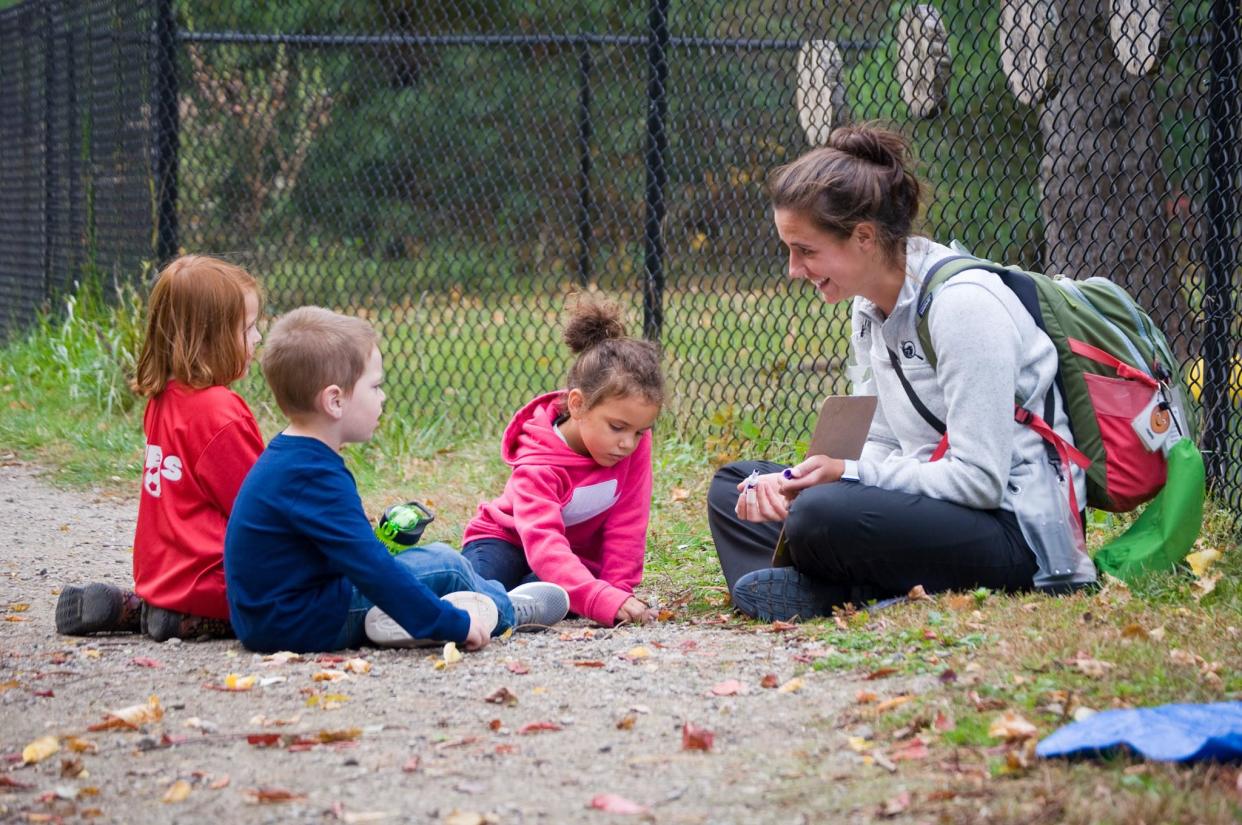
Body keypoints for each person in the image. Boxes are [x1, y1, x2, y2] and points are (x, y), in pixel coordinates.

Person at [708, 124, 1095, 622]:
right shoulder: (869, 307)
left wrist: (844, 476)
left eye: (805, 250)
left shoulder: (964, 307)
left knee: (818, 516)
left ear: (864, 236)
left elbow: (980, 481)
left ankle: (831, 590)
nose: (793, 269)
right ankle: (817, 585)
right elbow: (885, 441)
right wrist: (799, 480)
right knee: (735, 487)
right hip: (930, 508)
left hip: (1018, 534)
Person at [223, 306, 569, 653]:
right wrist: (453, 625)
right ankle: (505, 609)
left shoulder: (289, 458)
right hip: (303, 621)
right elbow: (371, 568)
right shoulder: (315, 475)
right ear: (334, 400)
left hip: (271, 618)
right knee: (445, 564)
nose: (383, 397)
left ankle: (411, 614)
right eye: (375, 386)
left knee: (425, 562)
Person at [56, 255, 266, 642]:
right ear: (211, 338)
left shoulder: (163, 400)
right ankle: (188, 619)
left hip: (160, 574)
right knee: (292, 591)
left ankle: (142, 608)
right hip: (210, 582)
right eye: (248, 328)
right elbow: (261, 512)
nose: (257, 339)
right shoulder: (222, 412)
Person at [462, 297, 664, 627]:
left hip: (571, 556)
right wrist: (597, 597)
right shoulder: (539, 462)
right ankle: (435, 602)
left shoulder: (632, 445)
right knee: (477, 588)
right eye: (617, 427)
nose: (628, 443)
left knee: (559, 594)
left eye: (640, 431)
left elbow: (628, 522)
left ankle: (513, 605)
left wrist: (615, 593)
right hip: (504, 541)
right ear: (578, 405)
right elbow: (543, 543)